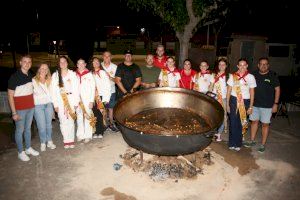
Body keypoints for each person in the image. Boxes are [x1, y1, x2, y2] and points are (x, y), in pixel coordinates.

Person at [244, 57, 280, 153]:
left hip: (267, 106)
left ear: (268, 65)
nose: (263, 66)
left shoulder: (272, 76)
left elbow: (277, 90)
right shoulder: (253, 75)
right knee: (254, 122)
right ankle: (252, 141)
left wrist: (276, 104)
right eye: (261, 64)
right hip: (254, 105)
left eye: (265, 64)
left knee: (265, 125)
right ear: (258, 65)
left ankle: (263, 144)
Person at [7, 54, 39, 161]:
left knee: (28, 129)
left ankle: (28, 147)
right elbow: (10, 96)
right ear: (20, 62)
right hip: (20, 109)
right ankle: (20, 152)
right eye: (25, 62)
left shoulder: (30, 75)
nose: (27, 64)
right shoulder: (14, 77)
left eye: (29, 62)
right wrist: (14, 113)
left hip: (30, 107)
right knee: (19, 131)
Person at [226, 58, 256, 151]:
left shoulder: (251, 77)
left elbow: (252, 92)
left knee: (241, 123)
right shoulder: (233, 76)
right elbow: (229, 90)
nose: (242, 67)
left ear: (247, 66)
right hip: (234, 100)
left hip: (245, 101)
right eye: (240, 65)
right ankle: (232, 143)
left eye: (244, 65)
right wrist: (227, 104)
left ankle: (238, 143)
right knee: (233, 122)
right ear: (238, 66)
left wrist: (251, 106)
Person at [51, 56, 80, 149]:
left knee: (71, 121)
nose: (63, 63)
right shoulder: (55, 75)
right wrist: (55, 104)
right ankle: (66, 140)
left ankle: (71, 140)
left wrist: (76, 102)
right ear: (59, 64)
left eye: (64, 62)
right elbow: (53, 91)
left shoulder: (72, 74)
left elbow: (77, 89)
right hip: (60, 100)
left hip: (71, 99)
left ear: (67, 63)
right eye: (61, 62)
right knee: (63, 122)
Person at [32, 63, 56, 152]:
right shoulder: (34, 80)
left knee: (48, 125)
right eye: (42, 68)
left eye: (46, 68)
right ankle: (43, 142)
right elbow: (35, 94)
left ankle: (49, 141)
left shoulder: (50, 80)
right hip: (38, 106)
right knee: (41, 126)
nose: (44, 70)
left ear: (48, 70)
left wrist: (53, 104)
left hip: (49, 105)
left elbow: (52, 94)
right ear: (39, 69)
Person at [75, 58, 96, 143]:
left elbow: (93, 88)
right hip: (77, 100)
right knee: (79, 117)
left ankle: (88, 135)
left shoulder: (89, 75)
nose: (80, 65)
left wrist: (91, 100)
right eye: (79, 63)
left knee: (87, 117)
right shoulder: (74, 75)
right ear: (77, 65)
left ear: (85, 64)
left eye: (82, 63)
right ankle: (80, 134)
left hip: (87, 100)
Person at [209, 58, 229, 142]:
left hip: (223, 99)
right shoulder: (213, 75)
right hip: (214, 98)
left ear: (226, 66)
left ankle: (219, 134)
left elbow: (229, 90)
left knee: (223, 116)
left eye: (223, 64)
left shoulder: (228, 76)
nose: (221, 66)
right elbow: (210, 87)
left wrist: (228, 101)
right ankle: (212, 132)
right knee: (212, 116)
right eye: (220, 64)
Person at [91, 57, 111, 138]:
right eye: (94, 62)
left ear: (99, 63)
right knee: (95, 114)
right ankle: (96, 131)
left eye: (97, 61)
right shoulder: (90, 73)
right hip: (93, 97)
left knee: (100, 114)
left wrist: (106, 98)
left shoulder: (102, 72)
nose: (96, 63)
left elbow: (108, 86)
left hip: (101, 96)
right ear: (91, 63)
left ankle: (101, 131)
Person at [101, 51, 119, 132]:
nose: (107, 58)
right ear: (103, 57)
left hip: (111, 90)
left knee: (111, 108)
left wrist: (110, 77)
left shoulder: (114, 67)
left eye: (108, 56)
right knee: (103, 108)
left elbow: (117, 80)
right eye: (105, 56)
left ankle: (111, 123)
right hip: (101, 91)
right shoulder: (99, 65)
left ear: (111, 57)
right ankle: (104, 124)